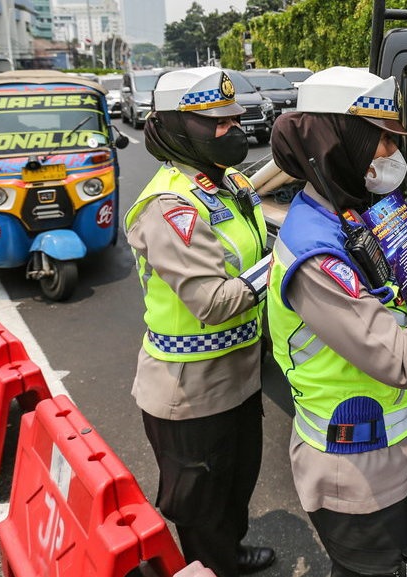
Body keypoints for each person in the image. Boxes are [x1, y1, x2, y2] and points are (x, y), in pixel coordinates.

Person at [267, 66, 407, 577]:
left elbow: (393, 293)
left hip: (396, 456)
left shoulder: (360, 207)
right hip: (354, 477)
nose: (391, 153)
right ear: (337, 142)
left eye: (392, 138)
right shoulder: (315, 251)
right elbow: (399, 357)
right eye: (380, 139)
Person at [124, 66, 275, 577]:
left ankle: (229, 554)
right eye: (216, 122)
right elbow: (212, 302)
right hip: (189, 390)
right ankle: (212, 565)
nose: (231, 130)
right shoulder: (168, 205)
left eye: (233, 119)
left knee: (237, 482)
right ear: (175, 127)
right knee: (202, 503)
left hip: (239, 372)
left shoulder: (229, 181)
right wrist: (283, 264)